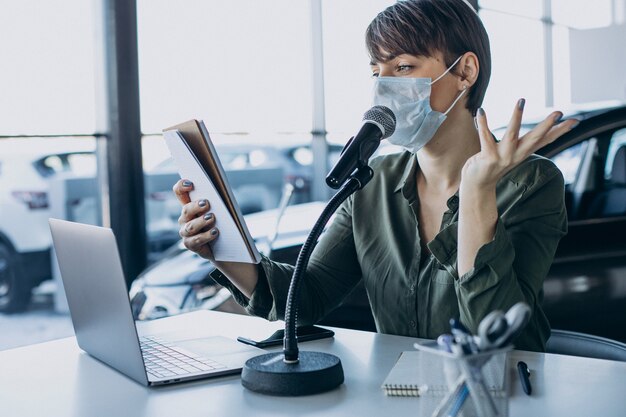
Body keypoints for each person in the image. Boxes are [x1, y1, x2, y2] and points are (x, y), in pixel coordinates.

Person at [173, 0, 575, 352]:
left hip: (495, 395)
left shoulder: (532, 182)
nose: (384, 86)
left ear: (465, 71)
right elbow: (308, 296)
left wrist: (476, 194)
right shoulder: (373, 181)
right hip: (398, 396)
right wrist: (220, 248)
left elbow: (501, 337)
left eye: (403, 66)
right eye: (376, 72)